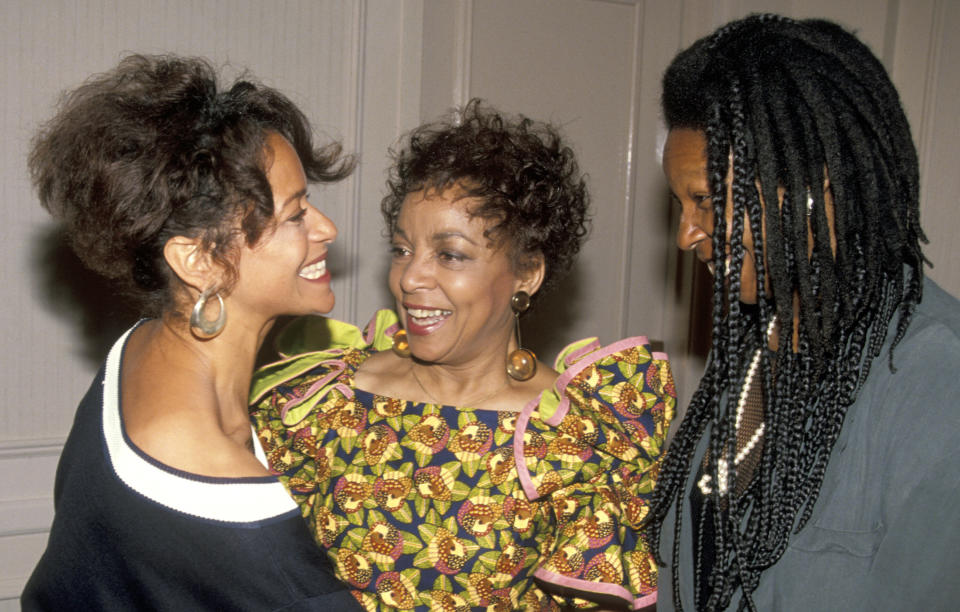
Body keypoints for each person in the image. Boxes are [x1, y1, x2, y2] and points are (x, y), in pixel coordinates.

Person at [249, 100, 676, 610]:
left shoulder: (575, 438)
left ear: (527, 273)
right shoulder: (324, 403)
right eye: (402, 249)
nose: (410, 279)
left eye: (449, 255)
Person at [22, 54, 362, 610]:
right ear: (199, 259)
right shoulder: (242, 521)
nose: (327, 228)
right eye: (296, 214)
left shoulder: (137, 351)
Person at [648, 14, 960, 611]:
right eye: (679, 204)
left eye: (707, 201)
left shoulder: (935, 378)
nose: (687, 234)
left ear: (812, 187)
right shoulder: (754, 346)